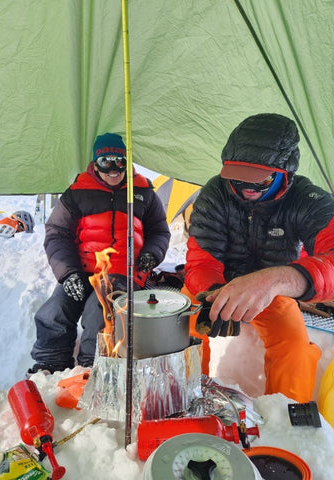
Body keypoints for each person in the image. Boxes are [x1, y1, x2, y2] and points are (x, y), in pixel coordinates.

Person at [184, 113, 334, 403]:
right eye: (237, 178)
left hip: (274, 294)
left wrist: (277, 280)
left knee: (295, 349)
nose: (246, 188)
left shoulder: (307, 200)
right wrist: (215, 293)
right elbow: (200, 261)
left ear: (285, 173)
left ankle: (284, 423)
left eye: (260, 179)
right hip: (216, 287)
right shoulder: (215, 193)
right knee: (180, 332)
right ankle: (186, 399)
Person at [28, 133, 170, 374]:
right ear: (95, 163)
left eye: (120, 162)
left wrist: (152, 254)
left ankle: (92, 367)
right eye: (106, 162)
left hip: (124, 272)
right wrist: (68, 274)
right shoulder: (78, 191)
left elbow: (159, 231)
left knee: (99, 310)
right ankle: (49, 365)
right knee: (56, 309)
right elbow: (57, 233)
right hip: (83, 270)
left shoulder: (143, 191)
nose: (114, 169)